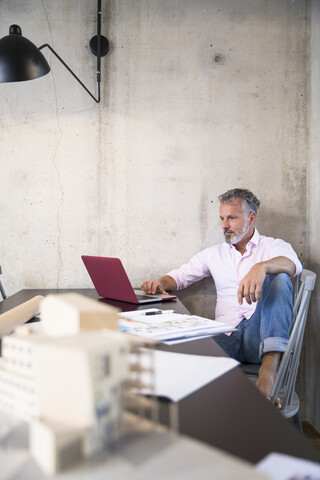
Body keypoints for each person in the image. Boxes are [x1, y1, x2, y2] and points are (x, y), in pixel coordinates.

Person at [140, 188, 302, 408]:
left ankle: (268, 373)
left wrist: (262, 267)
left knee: (279, 278)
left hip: (260, 338)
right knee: (176, 345)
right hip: (224, 337)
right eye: (222, 218)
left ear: (251, 217)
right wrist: (160, 282)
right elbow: (181, 276)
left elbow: (293, 265)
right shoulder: (214, 253)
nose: (224, 225)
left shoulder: (273, 246)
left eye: (232, 218)